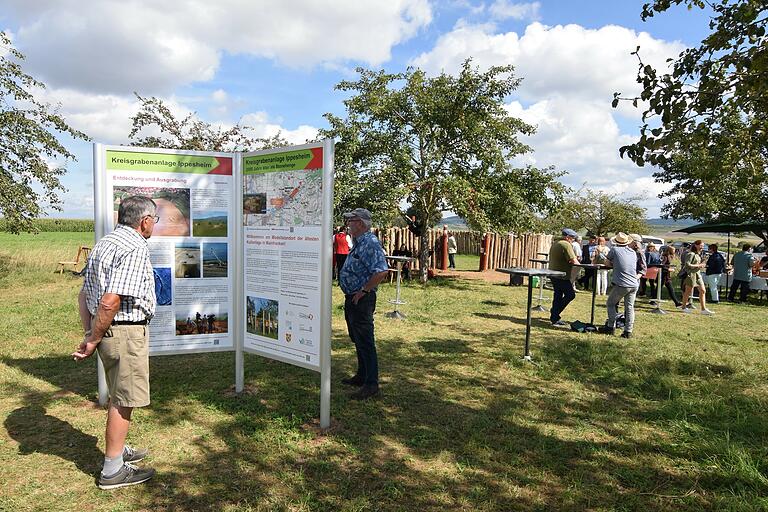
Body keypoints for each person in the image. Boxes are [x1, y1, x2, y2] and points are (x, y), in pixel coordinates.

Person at [72, 196, 158, 489]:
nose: (154, 227)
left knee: (118, 393)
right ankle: (112, 470)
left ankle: (118, 451)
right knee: (124, 401)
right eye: (154, 221)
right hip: (124, 332)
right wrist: (94, 338)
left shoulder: (105, 243)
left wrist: (91, 335)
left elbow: (85, 296)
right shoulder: (134, 247)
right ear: (145, 221)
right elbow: (110, 301)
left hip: (109, 332)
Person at [338, 208, 390, 400]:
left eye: (350, 220)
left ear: (360, 223)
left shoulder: (370, 242)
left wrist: (364, 290)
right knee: (357, 338)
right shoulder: (359, 242)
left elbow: (381, 271)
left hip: (362, 299)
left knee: (365, 340)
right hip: (353, 298)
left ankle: (371, 383)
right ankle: (362, 375)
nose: (348, 223)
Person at [599, 232, 640, 339]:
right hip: (634, 283)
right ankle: (628, 331)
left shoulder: (614, 250)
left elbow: (607, 264)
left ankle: (610, 327)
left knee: (610, 304)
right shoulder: (632, 252)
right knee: (629, 307)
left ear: (615, 241)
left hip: (622, 283)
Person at [548, 228, 580, 326]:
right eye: (572, 238)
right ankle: (554, 313)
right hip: (561, 275)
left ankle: (555, 317)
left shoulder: (556, 243)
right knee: (570, 295)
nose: (573, 240)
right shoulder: (566, 244)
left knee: (558, 295)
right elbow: (574, 260)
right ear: (567, 237)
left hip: (554, 274)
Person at [680, 240, 713, 315]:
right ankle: (684, 307)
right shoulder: (690, 254)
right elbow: (687, 264)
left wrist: (703, 264)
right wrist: (699, 265)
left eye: (703, 245)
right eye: (701, 245)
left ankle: (703, 309)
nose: (702, 247)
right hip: (691, 275)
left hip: (698, 274)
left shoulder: (698, 254)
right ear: (696, 245)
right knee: (688, 291)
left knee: (703, 290)